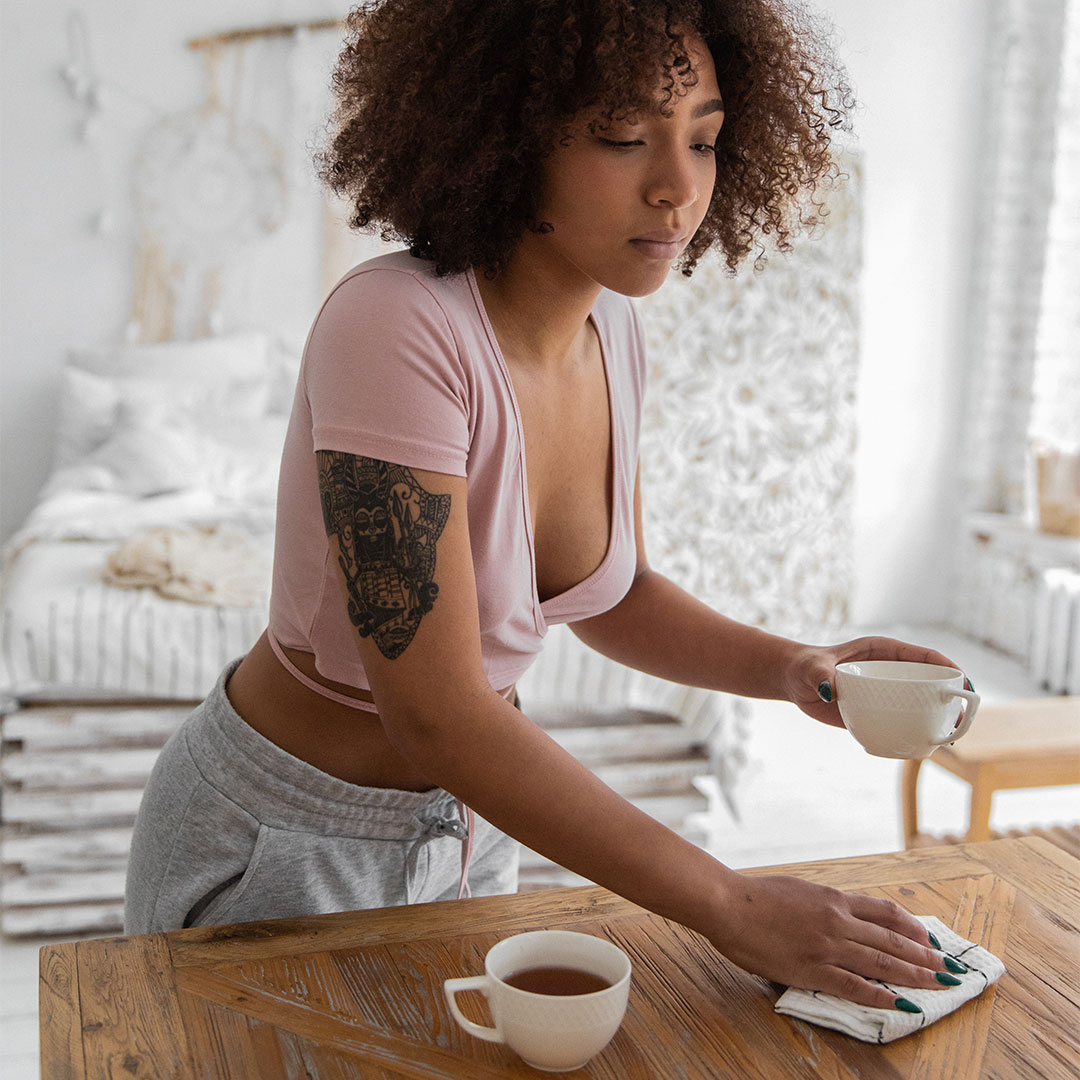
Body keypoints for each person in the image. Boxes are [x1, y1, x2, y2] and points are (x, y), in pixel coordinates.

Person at [126, 0, 968, 1013]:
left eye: (702, 139)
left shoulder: (611, 331)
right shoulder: (392, 327)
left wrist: (797, 668)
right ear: (510, 136)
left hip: (473, 827)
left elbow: (610, 591)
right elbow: (435, 713)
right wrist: (729, 904)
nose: (676, 187)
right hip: (287, 845)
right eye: (623, 138)